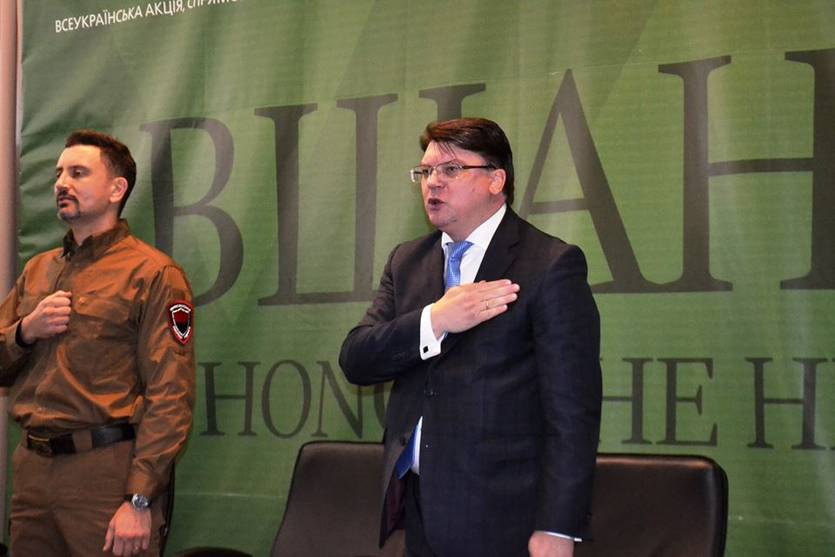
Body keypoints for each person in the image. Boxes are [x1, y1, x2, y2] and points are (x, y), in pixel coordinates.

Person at [340, 118, 601, 557]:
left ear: (496, 180)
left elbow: (572, 412)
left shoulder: (550, 265)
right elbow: (357, 358)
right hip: (419, 510)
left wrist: (558, 526)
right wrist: (435, 320)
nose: (433, 182)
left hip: (505, 518)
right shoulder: (407, 261)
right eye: (425, 171)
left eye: (451, 169)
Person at [0, 129, 195, 556]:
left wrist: (139, 499)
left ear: (116, 189)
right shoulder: (38, 270)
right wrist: (25, 331)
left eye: (78, 173)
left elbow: (170, 396)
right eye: (58, 173)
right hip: (32, 473)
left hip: (105, 476)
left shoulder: (154, 274)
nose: (61, 183)